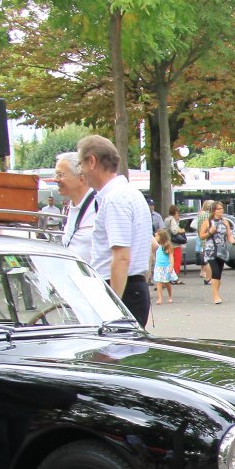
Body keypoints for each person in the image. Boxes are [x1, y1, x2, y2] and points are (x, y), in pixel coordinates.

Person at [76, 134, 152, 326]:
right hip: (133, 287)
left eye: (80, 164)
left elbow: (121, 257)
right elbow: (149, 247)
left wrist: (114, 307)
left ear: (92, 161)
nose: (81, 171)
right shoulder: (131, 194)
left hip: (119, 289)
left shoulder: (114, 199)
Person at [53, 152, 97, 268]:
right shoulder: (71, 208)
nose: (55, 179)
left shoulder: (100, 205)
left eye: (60, 175)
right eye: (56, 175)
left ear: (81, 177)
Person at [201, 201, 235, 305]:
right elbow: (201, 236)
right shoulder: (208, 222)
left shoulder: (225, 222)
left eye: (222, 208)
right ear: (214, 211)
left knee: (219, 274)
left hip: (222, 250)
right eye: (219, 209)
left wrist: (233, 241)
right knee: (215, 272)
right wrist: (210, 232)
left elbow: (229, 235)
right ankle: (215, 296)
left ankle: (217, 293)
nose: (221, 211)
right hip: (211, 250)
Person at [151, 228, 177, 305]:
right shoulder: (156, 246)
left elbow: (171, 257)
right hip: (158, 266)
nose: (155, 238)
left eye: (157, 236)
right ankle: (160, 298)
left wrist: (171, 267)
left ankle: (170, 296)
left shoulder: (167, 246)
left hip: (166, 267)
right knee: (158, 282)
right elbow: (153, 253)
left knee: (166, 282)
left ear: (162, 237)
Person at [165, 205, 185, 277]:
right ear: (176, 212)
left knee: (170, 261)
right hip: (175, 244)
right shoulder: (172, 220)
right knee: (176, 261)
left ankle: (169, 276)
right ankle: (175, 276)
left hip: (168, 243)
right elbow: (174, 231)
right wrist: (181, 230)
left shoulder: (167, 219)